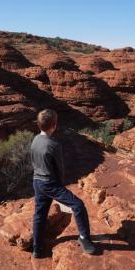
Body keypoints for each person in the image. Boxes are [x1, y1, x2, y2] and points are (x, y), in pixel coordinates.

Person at [30, 109, 96, 258]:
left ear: (39, 125)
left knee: (39, 215)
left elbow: (33, 161)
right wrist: (60, 185)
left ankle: (37, 248)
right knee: (78, 205)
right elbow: (60, 168)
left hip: (37, 181)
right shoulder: (54, 145)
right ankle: (84, 239)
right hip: (50, 183)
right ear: (54, 125)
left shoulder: (35, 139)